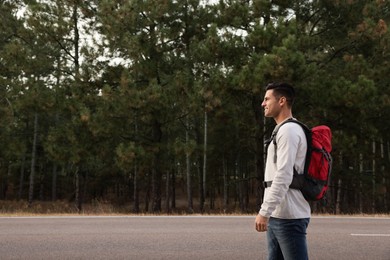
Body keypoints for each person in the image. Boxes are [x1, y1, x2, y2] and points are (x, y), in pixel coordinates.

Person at [255, 82, 311, 260]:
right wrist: (269, 212)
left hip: (289, 216)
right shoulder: (282, 130)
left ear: (282, 101)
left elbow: (284, 175)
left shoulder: (289, 131)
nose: (263, 104)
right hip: (278, 215)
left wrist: (264, 211)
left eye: (267, 99)